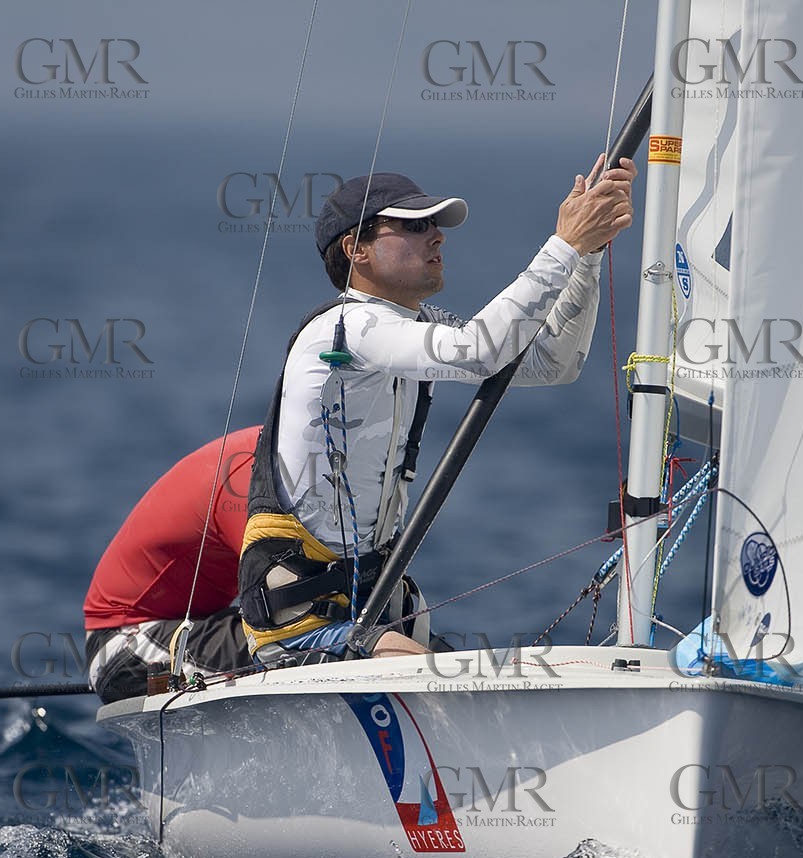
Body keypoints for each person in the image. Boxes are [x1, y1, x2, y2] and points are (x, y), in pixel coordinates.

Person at [239, 158, 636, 661]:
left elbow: (552, 364)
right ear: (355, 250)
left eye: (434, 226)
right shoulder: (346, 329)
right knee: (465, 687)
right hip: (301, 626)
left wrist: (588, 256)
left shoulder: (413, 326)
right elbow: (478, 350)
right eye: (413, 226)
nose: (436, 237)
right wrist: (564, 246)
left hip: (369, 613)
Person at [84, 426, 260, 702]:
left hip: (186, 626)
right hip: (127, 644)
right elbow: (277, 601)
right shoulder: (251, 476)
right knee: (296, 640)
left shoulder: (287, 457)